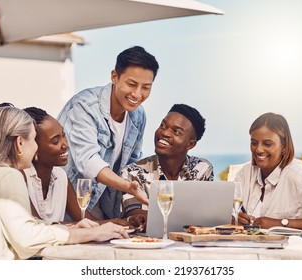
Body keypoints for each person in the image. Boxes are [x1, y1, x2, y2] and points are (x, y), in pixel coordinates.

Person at [0, 107, 128, 260]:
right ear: (20, 143)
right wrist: (92, 234)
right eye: (34, 140)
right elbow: (26, 238)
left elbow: (24, 225)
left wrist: (73, 229)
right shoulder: (8, 175)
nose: (35, 148)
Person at [57, 46, 159, 220]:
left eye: (146, 87)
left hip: (104, 205)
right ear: (114, 76)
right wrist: (127, 186)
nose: (137, 94)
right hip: (67, 203)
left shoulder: (139, 116)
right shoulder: (85, 106)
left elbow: (131, 165)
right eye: (132, 84)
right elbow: (89, 162)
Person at [236, 112, 302, 232]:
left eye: (267, 144)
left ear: (284, 147)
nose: (258, 149)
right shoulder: (244, 174)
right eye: (254, 143)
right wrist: (235, 219)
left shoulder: (299, 179)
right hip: (245, 247)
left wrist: (280, 223)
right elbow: (226, 213)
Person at [23, 106, 131, 226]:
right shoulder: (20, 178)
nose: (66, 144)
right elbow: (37, 226)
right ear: (34, 147)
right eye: (55, 141)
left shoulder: (60, 176)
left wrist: (121, 222)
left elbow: (86, 220)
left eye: (64, 135)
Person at [121, 104, 214, 230]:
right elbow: (137, 215)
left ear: (190, 144)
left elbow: (208, 215)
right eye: (163, 126)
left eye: (176, 132)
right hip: (148, 244)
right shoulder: (133, 172)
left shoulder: (201, 169)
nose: (164, 133)